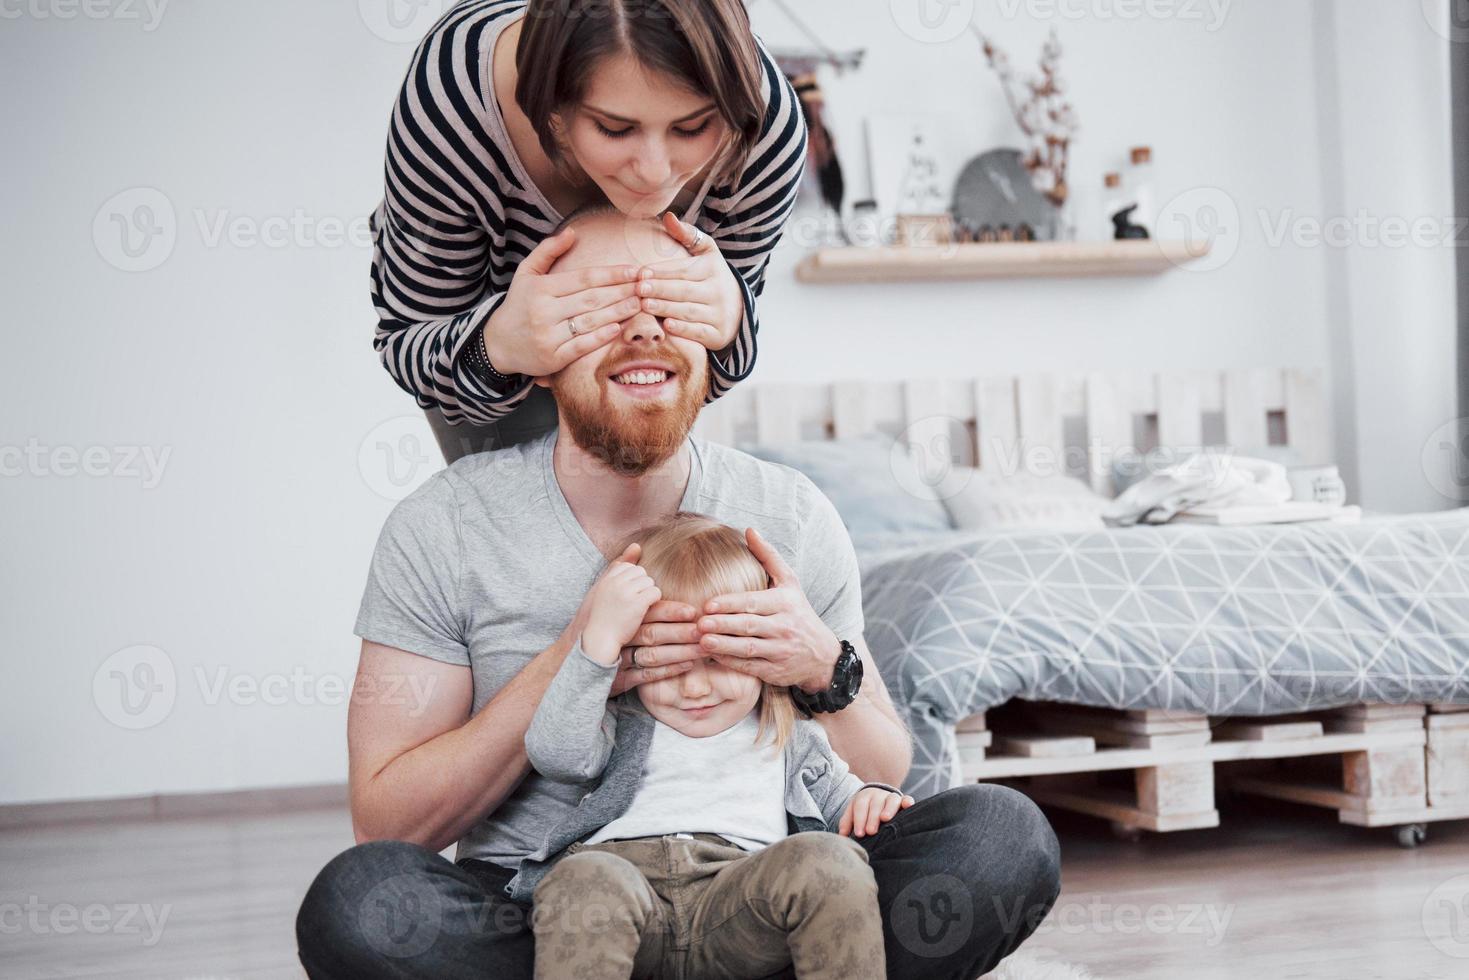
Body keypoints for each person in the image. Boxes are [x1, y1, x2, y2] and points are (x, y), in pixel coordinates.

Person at [296, 210, 1060, 980]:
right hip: (546, 908)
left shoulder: (789, 513)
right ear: (535, 350)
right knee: (361, 903)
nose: (644, 332)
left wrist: (821, 666)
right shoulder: (444, 525)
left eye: (673, 306)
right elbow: (390, 825)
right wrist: (577, 656)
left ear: (714, 338)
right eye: (601, 310)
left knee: (1001, 836)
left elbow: (882, 771)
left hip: (766, 898)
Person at [370, 0, 808, 462]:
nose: (655, 174)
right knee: (506, 517)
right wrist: (494, 346)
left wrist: (732, 314)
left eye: (693, 126)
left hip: (637, 381)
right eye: (615, 129)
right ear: (551, 107)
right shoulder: (451, 108)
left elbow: (712, 365)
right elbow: (409, 341)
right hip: (476, 359)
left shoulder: (764, 132)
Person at [523, 513, 909, 980]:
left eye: (717, 661)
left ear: (759, 652)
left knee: (830, 862)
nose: (696, 690)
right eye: (673, 666)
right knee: (582, 881)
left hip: (741, 902)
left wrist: (870, 796)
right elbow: (553, 753)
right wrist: (598, 645)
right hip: (627, 895)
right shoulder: (624, 720)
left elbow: (843, 802)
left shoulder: (788, 732)